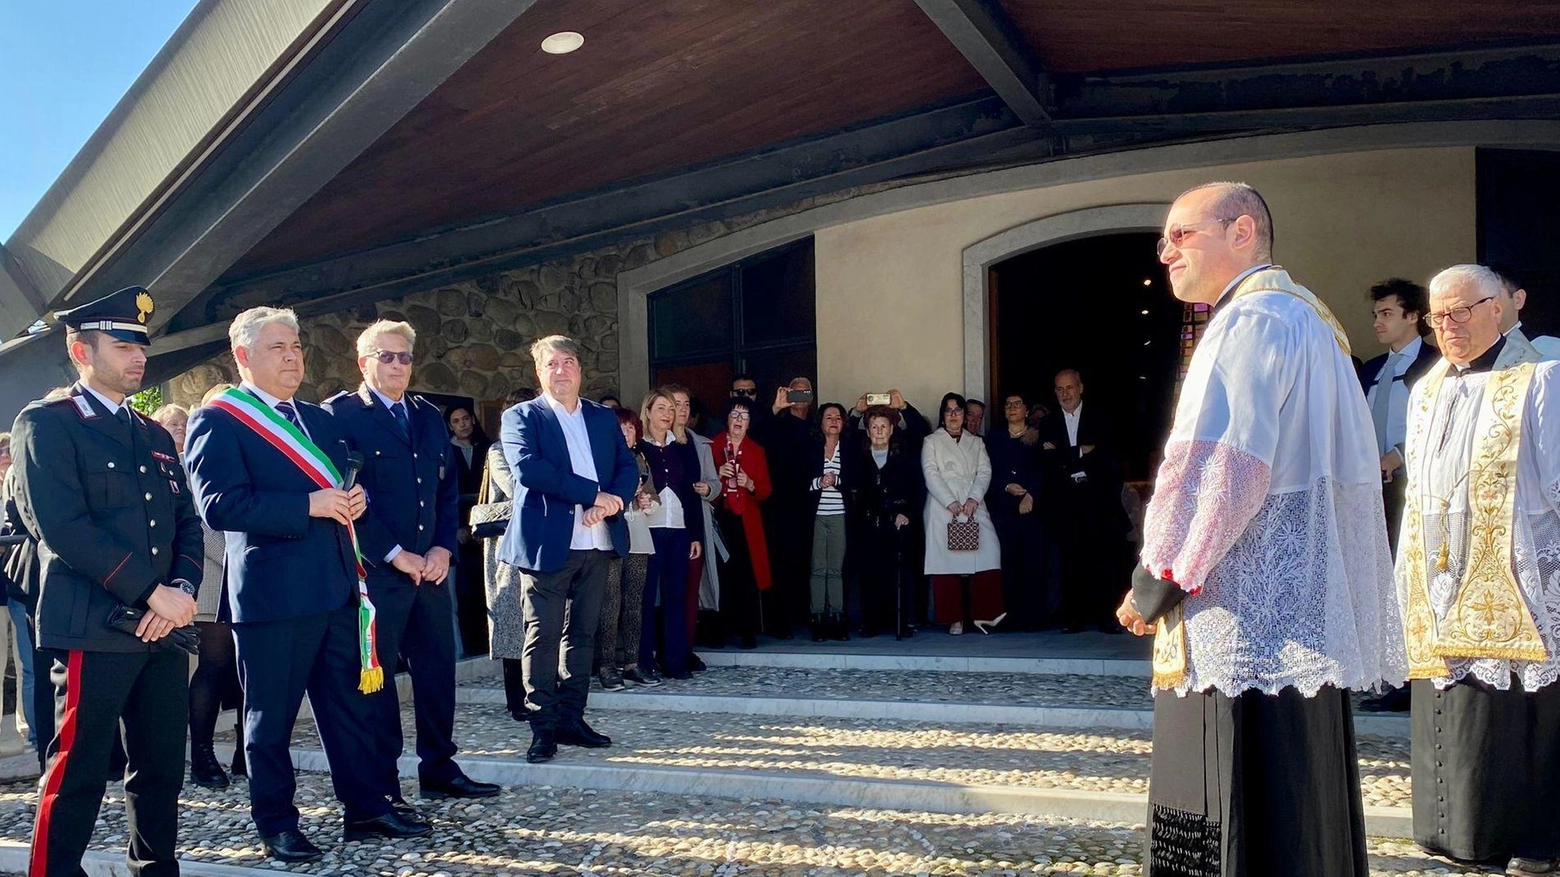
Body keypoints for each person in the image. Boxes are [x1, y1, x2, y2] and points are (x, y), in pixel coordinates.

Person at [1117, 182, 1403, 877]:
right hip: (1304, 610)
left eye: (1181, 234)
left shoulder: (1249, 322)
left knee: (1237, 806)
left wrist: (1154, 580)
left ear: (1242, 230)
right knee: (1300, 803)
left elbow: (1221, 468)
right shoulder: (1315, 323)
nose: (1166, 252)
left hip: (1244, 616)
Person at [186, 306, 429, 862]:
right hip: (273, 597)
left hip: (336, 587)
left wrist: (352, 502)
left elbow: (339, 494)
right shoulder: (219, 420)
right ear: (243, 356)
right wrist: (309, 504)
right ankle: (276, 821)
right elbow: (219, 505)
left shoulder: (318, 421)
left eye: (296, 346)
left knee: (349, 708)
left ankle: (365, 808)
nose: (294, 356)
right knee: (270, 717)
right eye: (278, 347)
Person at [10, 286, 204, 877]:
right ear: (80, 350)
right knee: (79, 766)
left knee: (162, 765)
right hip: (95, 625)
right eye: (122, 345)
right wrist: (152, 592)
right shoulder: (46, 423)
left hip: (163, 627)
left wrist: (180, 595)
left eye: (141, 345)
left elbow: (186, 522)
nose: (138, 356)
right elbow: (62, 526)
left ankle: (155, 869)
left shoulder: (149, 432)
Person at [1396, 264, 1560, 877]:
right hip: (1441, 575)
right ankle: (1451, 831)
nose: (1450, 325)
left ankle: (1534, 839)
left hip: (1520, 577)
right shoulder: (1427, 387)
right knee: (1454, 702)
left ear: (1502, 308)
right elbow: (1419, 491)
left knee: (1520, 715)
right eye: (1439, 315)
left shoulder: (1542, 380)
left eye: (1463, 310)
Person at [325, 321, 500, 801]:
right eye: (387, 357)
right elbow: (347, 496)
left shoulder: (426, 415)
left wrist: (443, 546)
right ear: (364, 363)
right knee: (376, 682)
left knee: (438, 673)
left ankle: (439, 769)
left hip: (431, 568)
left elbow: (444, 490)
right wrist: (395, 553)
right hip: (379, 573)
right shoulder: (340, 416)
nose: (399, 365)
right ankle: (383, 787)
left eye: (405, 357)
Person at [497, 335, 638, 764]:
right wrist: (593, 496)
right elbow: (530, 470)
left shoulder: (601, 417)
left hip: (597, 541)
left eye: (569, 362)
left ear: (581, 368)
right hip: (547, 543)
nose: (562, 371)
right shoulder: (521, 417)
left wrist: (613, 499)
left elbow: (627, 465)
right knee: (540, 638)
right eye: (552, 364)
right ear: (539, 372)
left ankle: (572, 719)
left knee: (583, 634)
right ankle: (543, 727)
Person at [149, 400, 241, 790]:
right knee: (213, 666)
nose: (181, 432)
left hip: (243, 580)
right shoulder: (167, 470)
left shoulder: (213, 457)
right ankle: (202, 755)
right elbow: (191, 527)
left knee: (245, 669)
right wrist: (232, 555)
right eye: (173, 427)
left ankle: (244, 749)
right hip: (208, 579)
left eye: (184, 425)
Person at [1038, 369, 1130, 633]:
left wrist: (1064, 456)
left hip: (1097, 501)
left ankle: (1106, 617)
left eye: (1069, 388)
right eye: (1059, 389)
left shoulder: (1101, 418)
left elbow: (1107, 459)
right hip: (1065, 503)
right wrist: (1081, 451)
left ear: (1080, 388)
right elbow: (1047, 463)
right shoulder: (1048, 423)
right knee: (1070, 561)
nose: (1064, 394)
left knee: (1102, 561)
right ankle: (1073, 618)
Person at [1360, 278, 1439, 552]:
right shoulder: (1371, 369)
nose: (1377, 323)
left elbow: (1442, 422)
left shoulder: (1437, 364)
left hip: (1416, 483)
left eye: (1387, 314)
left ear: (1413, 316)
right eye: (1376, 315)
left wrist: (1401, 453)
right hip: (1371, 485)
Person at [921, 393, 1003, 635]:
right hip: (942, 507)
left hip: (972, 505)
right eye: (949, 410)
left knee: (989, 553)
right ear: (943, 415)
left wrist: (973, 498)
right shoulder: (931, 441)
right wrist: (950, 502)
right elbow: (930, 473)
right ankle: (953, 618)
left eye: (958, 410)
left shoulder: (976, 442)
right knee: (947, 564)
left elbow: (984, 471)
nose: (954, 415)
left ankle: (985, 615)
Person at [637, 389, 706, 679]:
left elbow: (691, 495)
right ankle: (642, 660)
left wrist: (695, 535)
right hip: (648, 530)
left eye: (671, 409)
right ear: (648, 412)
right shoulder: (638, 448)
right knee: (644, 596)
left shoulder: (682, 446)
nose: (667, 414)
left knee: (676, 595)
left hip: (678, 529)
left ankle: (674, 660)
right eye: (661, 408)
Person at [984, 393, 1058, 630]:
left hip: (1032, 510)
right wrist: (1006, 485)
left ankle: (1035, 618)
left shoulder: (1038, 436)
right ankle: (1011, 617)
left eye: (1017, 404)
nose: (1012, 408)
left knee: (1034, 562)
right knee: (1009, 563)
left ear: (1026, 410)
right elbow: (987, 471)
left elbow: (1047, 470)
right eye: (1008, 405)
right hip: (1004, 510)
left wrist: (1031, 494)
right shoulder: (994, 438)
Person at [597, 407, 659, 689]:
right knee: (610, 603)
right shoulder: (602, 460)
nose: (626, 432)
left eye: (630, 428)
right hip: (611, 535)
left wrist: (647, 502)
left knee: (634, 602)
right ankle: (606, 665)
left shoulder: (642, 460)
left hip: (638, 533)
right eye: (620, 427)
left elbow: (654, 496)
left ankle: (633, 663)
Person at [482, 388, 533, 720]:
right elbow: (517, 489)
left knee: (539, 623)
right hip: (509, 549)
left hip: (541, 545)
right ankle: (517, 701)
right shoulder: (498, 450)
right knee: (512, 622)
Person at [855, 407, 923, 638]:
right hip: (868, 524)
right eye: (874, 426)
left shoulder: (903, 456)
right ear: (867, 431)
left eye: (884, 426)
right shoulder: (859, 457)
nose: (879, 431)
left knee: (898, 573)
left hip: (896, 523)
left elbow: (916, 490)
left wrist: (906, 513)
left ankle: (900, 622)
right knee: (870, 575)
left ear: (892, 429)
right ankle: (871, 622)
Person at [712, 397, 773, 649]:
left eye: (744, 417)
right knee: (720, 575)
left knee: (746, 576)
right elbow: (701, 484)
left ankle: (748, 632)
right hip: (720, 518)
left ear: (750, 424)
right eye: (735, 415)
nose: (738, 420)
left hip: (746, 521)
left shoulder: (756, 451)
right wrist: (717, 476)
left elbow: (766, 490)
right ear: (727, 418)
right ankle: (719, 631)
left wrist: (750, 484)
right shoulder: (712, 445)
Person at [668, 385, 722, 666]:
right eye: (677, 404)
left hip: (695, 525)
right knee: (668, 592)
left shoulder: (700, 443)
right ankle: (666, 650)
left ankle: (685, 649)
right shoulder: (656, 442)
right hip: (665, 528)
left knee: (690, 592)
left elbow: (716, 485)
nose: (683, 409)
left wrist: (708, 488)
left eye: (687, 404)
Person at [757, 377, 815, 637]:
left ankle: (804, 614)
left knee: (806, 562)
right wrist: (775, 408)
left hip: (812, 505)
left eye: (806, 392)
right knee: (779, 564)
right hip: (779, 507)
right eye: (796, 391)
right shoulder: (776, 424)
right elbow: (756, 438)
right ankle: (779, 621)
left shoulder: (817, 425)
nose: (801, 396)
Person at [806, 403, 856, 640]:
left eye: (838, 417)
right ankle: (817, 616)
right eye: (828, 417)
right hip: (816, 515)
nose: (833, 421)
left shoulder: (850, 449)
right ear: (821, 422)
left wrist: (837, 480)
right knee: (818, 568)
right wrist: (818, 482)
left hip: (839, 515)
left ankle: (837, 617)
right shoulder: (811, 448)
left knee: (835, 569)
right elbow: (797, 480)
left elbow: (857, 482)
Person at [446, 404, 492, 656]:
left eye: (465, 418)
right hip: (458, 533)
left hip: (485, 531)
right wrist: (458, 528)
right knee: (462, 594)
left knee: (485, 591)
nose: (462, 424)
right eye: (456, 420)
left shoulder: (487, 449)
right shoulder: (447, 451)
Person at [0, 431, 35, 758]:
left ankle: (37, 734)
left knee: (32, 664)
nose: (6, 456)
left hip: (16, 587)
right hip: (16, 585)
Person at [1492, 265, 1560, 358]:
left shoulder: (1552, 349)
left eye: (1490, 296)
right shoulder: (1466, 357)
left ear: (1518, 299)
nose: (1482, 305)